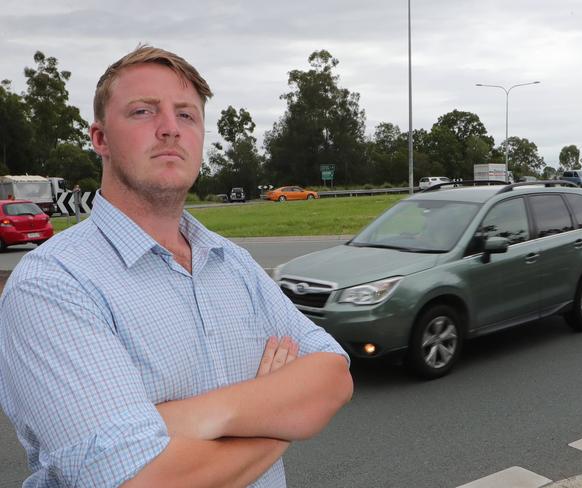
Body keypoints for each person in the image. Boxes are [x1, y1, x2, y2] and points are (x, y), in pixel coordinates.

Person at [0, 46, 353, 487]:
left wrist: (184, 419)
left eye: (186, 115)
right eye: (143, 111)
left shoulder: (234, 263)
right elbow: (144, 480)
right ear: (100, 139)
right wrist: (281, 417)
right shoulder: (53, 284)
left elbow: (334, 374)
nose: (170, 129)